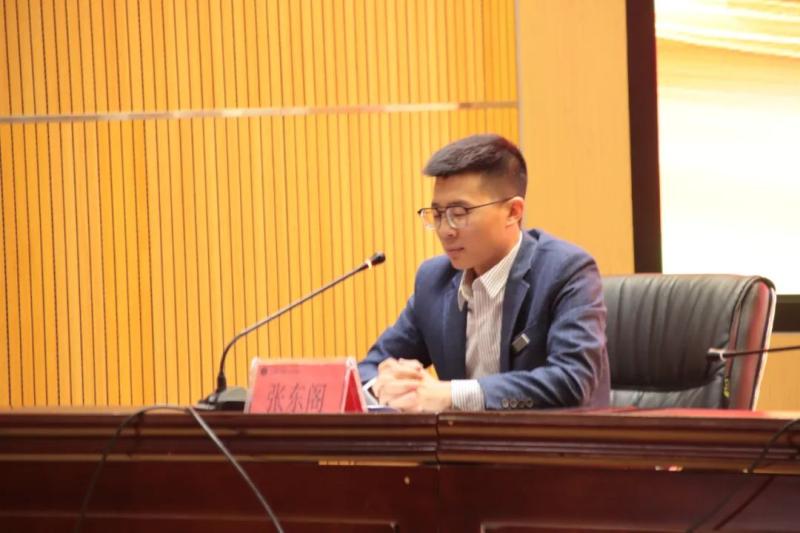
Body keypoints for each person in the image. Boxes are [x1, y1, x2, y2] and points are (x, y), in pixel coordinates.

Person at [358, 134, 609, 411]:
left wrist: (450, 394)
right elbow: (369, 368)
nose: (445, 230)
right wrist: (384, 386)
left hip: (550, 438)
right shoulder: (434, 280)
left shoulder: (566, 271)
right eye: (437, 214)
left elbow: (572, 380)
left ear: (513, 211)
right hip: (459, 440)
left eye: (459, 213)